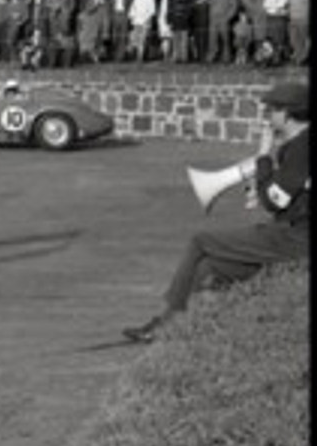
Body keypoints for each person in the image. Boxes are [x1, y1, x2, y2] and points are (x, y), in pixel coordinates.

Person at [123, 82, 309, 343]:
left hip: (296, 239)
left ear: (287, 114)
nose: (267, 116)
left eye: (271, 110)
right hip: (289, 232)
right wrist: (265, 183)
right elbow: (290, 193)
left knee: (201, 241)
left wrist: (264, 157)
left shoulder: (302, 148)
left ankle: (168, 322)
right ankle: (177, 325)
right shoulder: (298, 146)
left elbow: (273, 203)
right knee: (211, 266)